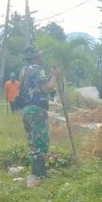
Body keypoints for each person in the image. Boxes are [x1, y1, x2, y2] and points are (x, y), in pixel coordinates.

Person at [19, 46, 59, 179]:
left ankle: (36, 173)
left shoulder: (24, 70)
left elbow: (35, 85)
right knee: (41, 141)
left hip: (27, 109)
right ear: (35, 57)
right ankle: (40, 175)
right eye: (39, 56)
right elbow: (47, 88)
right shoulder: (37, 70)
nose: (41, 58)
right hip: (37, 109)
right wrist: (54, 76)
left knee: (32, 141)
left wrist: (49, 77)